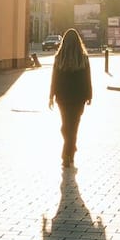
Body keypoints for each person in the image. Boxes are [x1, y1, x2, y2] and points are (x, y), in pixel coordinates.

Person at [47, 28, 94, 167]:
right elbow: (87, 78)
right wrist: (89, 95)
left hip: (62, 97)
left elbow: (54, 78)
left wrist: (51, 95)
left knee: (66, 126)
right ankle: (70, 151)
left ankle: (67, 154)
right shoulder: (83, 58)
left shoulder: (58, 58)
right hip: (79, 97)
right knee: (72, 127)